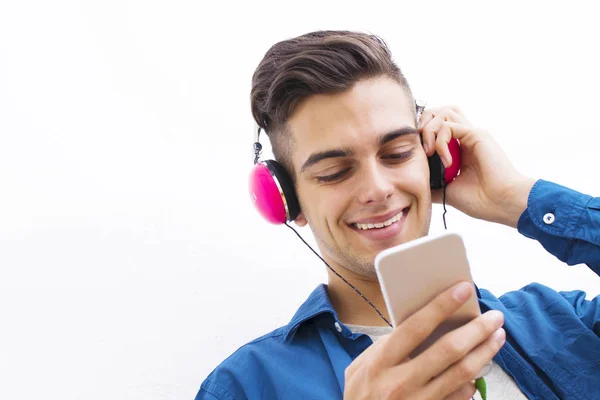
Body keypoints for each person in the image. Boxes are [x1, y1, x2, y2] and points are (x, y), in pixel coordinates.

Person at [196, 30, 600, 399]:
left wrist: (519, 197)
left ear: (433, 162)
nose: (377, 189)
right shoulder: (243, 387)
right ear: (288, 202)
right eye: (334, 172)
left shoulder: (564, 323)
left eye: (398, 153)